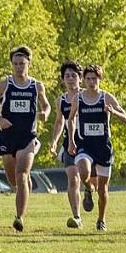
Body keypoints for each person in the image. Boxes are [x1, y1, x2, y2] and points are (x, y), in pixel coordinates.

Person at [0, 46, 51, 232]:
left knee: (21, 174)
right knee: (13, 178)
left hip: (27, 137)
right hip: (8, 135)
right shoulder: (5, 84)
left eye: (22, 63)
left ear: (29, 63)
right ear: (12, 65)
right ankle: (22, 189)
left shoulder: (36, 86)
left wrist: (45, 113)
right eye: (15, 64)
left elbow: (46, 105)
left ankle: (19, 217)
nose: (19, 67)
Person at [67, 64, 126, 232]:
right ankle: (88, 187)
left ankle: (101, 220)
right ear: (84, 80)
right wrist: (71, 141)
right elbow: (71, 119)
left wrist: (113, 112)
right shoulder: (78, 98)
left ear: (100, 79)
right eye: (87, 79)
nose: (91, 82)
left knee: (103, 189)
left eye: (94, 78)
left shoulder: (106, 97)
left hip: (103, 146)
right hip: (84, 144)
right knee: (83, 172)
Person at [49, 61, 85, 228]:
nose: (70, 79)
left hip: (89, 143)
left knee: (90, 179)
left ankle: (90, 191)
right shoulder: (61, 100)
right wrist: (54, 143)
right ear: (63, 79)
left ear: (80, 78)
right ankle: (77, 216)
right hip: (70, 143)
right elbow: (59, 122)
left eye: (74, 75)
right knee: (73, 179)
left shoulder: (88, 96)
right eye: (67, 76)